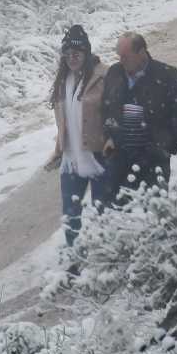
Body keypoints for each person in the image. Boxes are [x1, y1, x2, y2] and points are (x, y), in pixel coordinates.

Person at [101, 31, 177, 199]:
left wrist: (164, 146)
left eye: (126, 56)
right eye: (119, 56)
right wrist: (109, 136)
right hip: (119, 159)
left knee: (153, 215)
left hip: (153, 162)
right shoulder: (114, 73)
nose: (121, 61)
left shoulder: (166, 75)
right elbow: (106, 108)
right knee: (117, 217)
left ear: (141, 52)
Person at [45, 24, 112, 246]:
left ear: (86, 53)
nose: (71, 58)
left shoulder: (104, 76)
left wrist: (113, 139)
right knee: (70, 215)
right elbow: (63, 122)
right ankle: (74, 259)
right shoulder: (63, 81)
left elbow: (115, 112)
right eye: (67, 54)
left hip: (99, 155)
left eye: (76, 53)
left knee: (105, 212)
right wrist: (58, 149)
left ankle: (109, 257)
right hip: (71, 159)